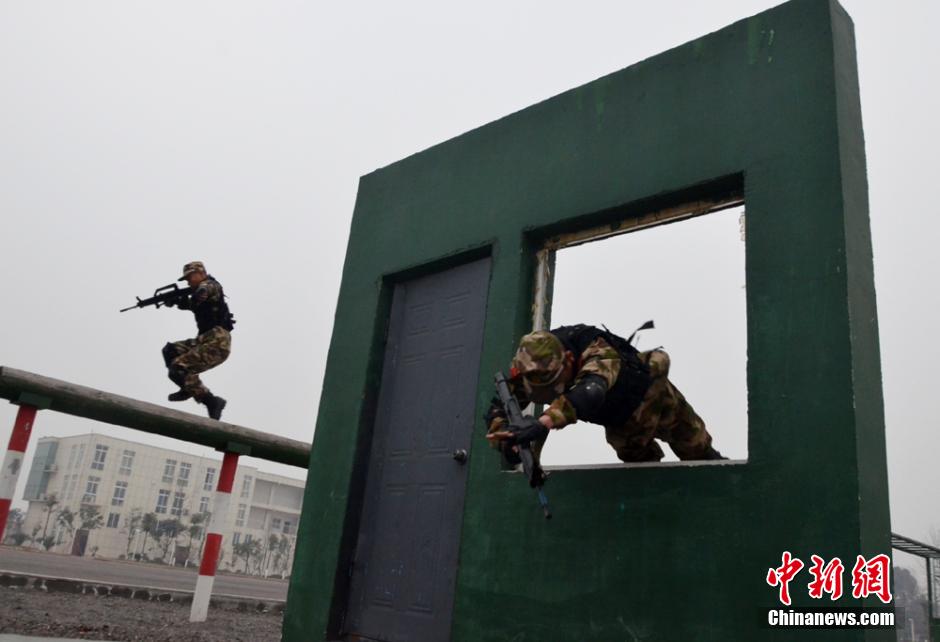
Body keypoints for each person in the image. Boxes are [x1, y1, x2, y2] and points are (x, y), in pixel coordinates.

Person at [485, 324, 724, 462]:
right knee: (645, 473)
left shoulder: (596, 350)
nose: (551, 392)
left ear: (568, 360)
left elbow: (591, 392)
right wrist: (508, 440)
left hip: (652, 394)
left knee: (696, 448)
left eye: (554, 384)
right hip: (622, 425)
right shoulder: (530, 366)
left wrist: (542, 423)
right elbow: (498, 408)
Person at [161, 261, 234, 420]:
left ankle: (211, 401)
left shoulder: (211, 286)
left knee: (178, 367)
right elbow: (189, 303)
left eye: (190, 277)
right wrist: (174, 301)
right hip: (204, 340)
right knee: (170, 351)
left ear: (201, 273)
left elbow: (205, 290)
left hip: (218, 343)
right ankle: (188, 387)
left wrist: (199, 293)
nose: (188, 282)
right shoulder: (198, 296)